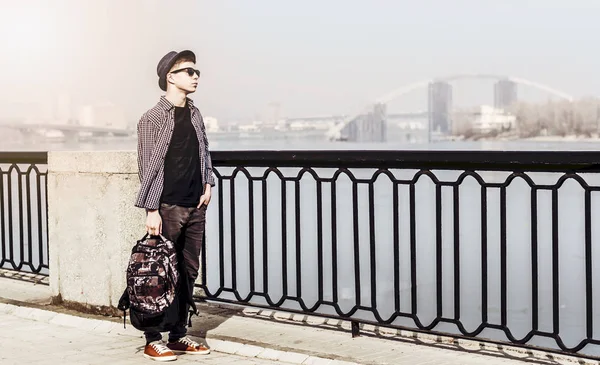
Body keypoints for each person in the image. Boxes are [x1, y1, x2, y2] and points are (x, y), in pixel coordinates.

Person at [135, 49, 215, 361]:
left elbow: (204, 150)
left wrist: (208, 182)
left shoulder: (195, 114)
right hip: (167, 206)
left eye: (197, 72)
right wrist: (151, 209)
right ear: (170, 76)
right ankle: (152, 338)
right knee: (158, 273)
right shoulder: (151, 118)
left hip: (196, 205)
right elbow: (147, 166)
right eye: (189, 71)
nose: (195, 76)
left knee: (188, 272)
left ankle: (178, 335)